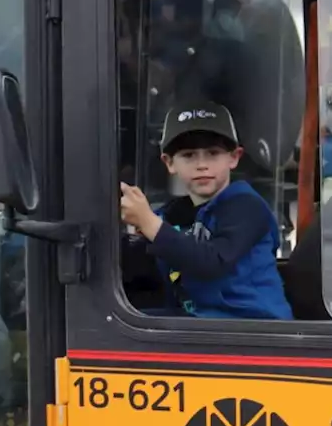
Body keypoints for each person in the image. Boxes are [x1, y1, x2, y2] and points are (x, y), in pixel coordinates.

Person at [119, 101, 294, 320]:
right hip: (202, 325)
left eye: (213, 153)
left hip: (254, 330)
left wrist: (149, 223)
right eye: (189, 155)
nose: (202, 164)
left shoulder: (246, 207)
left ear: (234, 157)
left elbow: (212, 262)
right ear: (169, 163)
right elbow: (143, 255)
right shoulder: (175, 213)